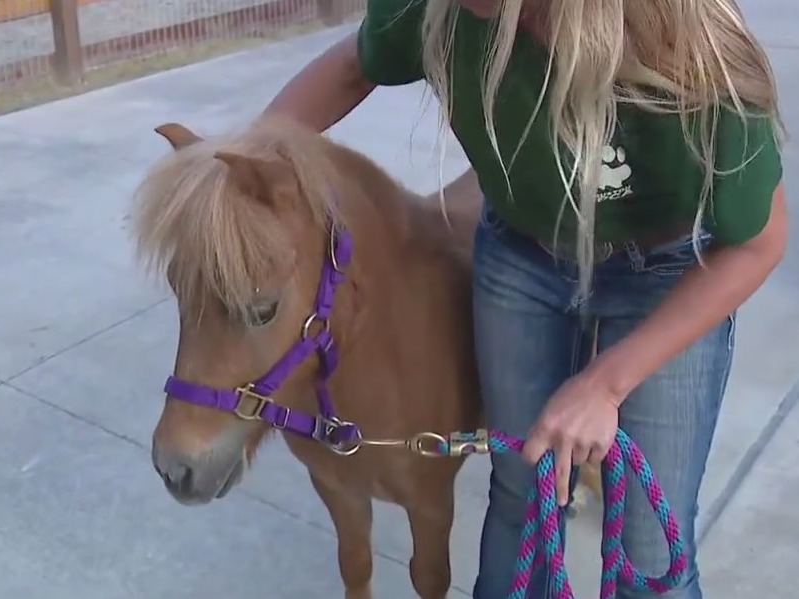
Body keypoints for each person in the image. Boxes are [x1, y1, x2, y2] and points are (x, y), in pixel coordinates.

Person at [258, 1, 788, 598]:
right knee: (522, 491)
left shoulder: (683, 37)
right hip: (522, 253)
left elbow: (756, 244)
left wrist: (604, 385)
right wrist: (245, 162)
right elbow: (355, 63)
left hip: (664, 271)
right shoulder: (439, 10)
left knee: (649, 536)